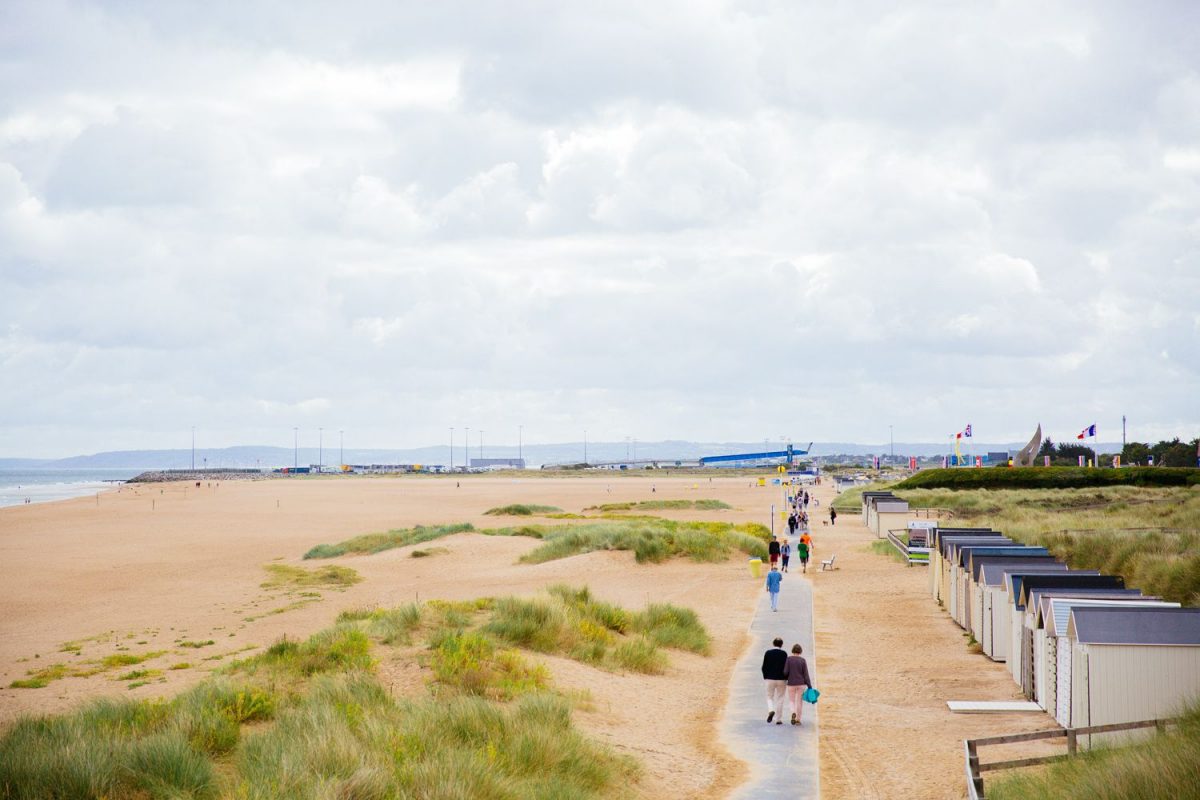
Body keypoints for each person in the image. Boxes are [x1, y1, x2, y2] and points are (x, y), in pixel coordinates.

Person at [783, 643, 813, 726]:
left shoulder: (788, 659)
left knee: (792, 701)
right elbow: (806, 675)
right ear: (800, 651)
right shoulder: (803, 660)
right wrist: (809, 686)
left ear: (793, 650)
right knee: (799, 701)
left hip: (791, 683)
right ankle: (798, 720)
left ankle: (793, 712)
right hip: (801, 684)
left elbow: (785, 672)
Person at [760, 637, 788, 724]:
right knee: (780, 698)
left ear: (773, 643)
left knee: (769, 697)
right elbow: (786, 667)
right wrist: (786, 677)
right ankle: (778, 719)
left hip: (770, 678)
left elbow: (764, 666)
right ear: (781, 645)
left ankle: (771, 710)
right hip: (781, 679)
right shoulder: (784, 654)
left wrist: (765, 676)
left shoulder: (768, 653)